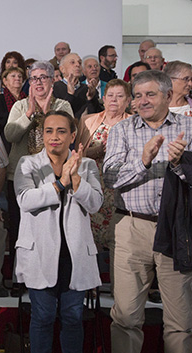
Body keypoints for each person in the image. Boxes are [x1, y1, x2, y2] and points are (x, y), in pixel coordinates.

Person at [103, 70, 192, 353]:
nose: (142, 101)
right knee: (126, 315)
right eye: (137, 95)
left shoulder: (187, 128)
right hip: (132, 227)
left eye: (150, 95)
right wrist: (143, 160)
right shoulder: (122, 130)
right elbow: (111, 179)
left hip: (176, 230)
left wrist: (180, 165)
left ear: (169, 95)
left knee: (180, 318)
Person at [14, 110, 102, 353]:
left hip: (75, 256)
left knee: (73, 320)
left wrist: (75, 179)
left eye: (62, 131)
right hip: (40, 254)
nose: (54, 137)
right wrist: (58, 184)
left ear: (72, 136)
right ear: (42, 135)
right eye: (49, 131)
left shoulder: (86, 165)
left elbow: (96, 203)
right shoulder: (28, 164)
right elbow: (25, 201)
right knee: (41, 320)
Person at [5, 61, 73, 275]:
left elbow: (67, 137)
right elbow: (10, 135)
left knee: (55, 229)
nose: (38, 82)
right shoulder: (20, 106)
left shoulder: (62, 106)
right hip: (21, 176)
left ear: (52, 79)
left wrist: (46, 114)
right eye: (34, 78)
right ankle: (22, 276)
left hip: (55, 177)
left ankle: (54, 275)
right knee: (19, 229)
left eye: (43, 77)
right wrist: (29, 114)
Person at [75, 79, 131, 280]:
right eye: (110, 95)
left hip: (118, 192)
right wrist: (95, 151)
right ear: (103, 98)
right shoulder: (88, 121)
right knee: (89, 239)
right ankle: (89, 285)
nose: (114, 100)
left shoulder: (133, 124)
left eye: (119, 96)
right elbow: (77, 154)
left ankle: (117, 289)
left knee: (117, 241)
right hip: (92, 186)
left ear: (128, 101)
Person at [53, 53, 102, 118]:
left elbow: (97, 115)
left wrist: (91, 99)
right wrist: (70, 94)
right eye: (72, 62)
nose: (77, 65)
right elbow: (60, 115)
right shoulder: (55, 88)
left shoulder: (87, 89)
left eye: (79, 62)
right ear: (62, 69)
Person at [0, 67, 26, 155]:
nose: (17, 78)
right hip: (6, 143)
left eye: (20, 76)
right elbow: (0, 121)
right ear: (5, 81)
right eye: (13, 76)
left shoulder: (28, 99)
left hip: (25, 142)